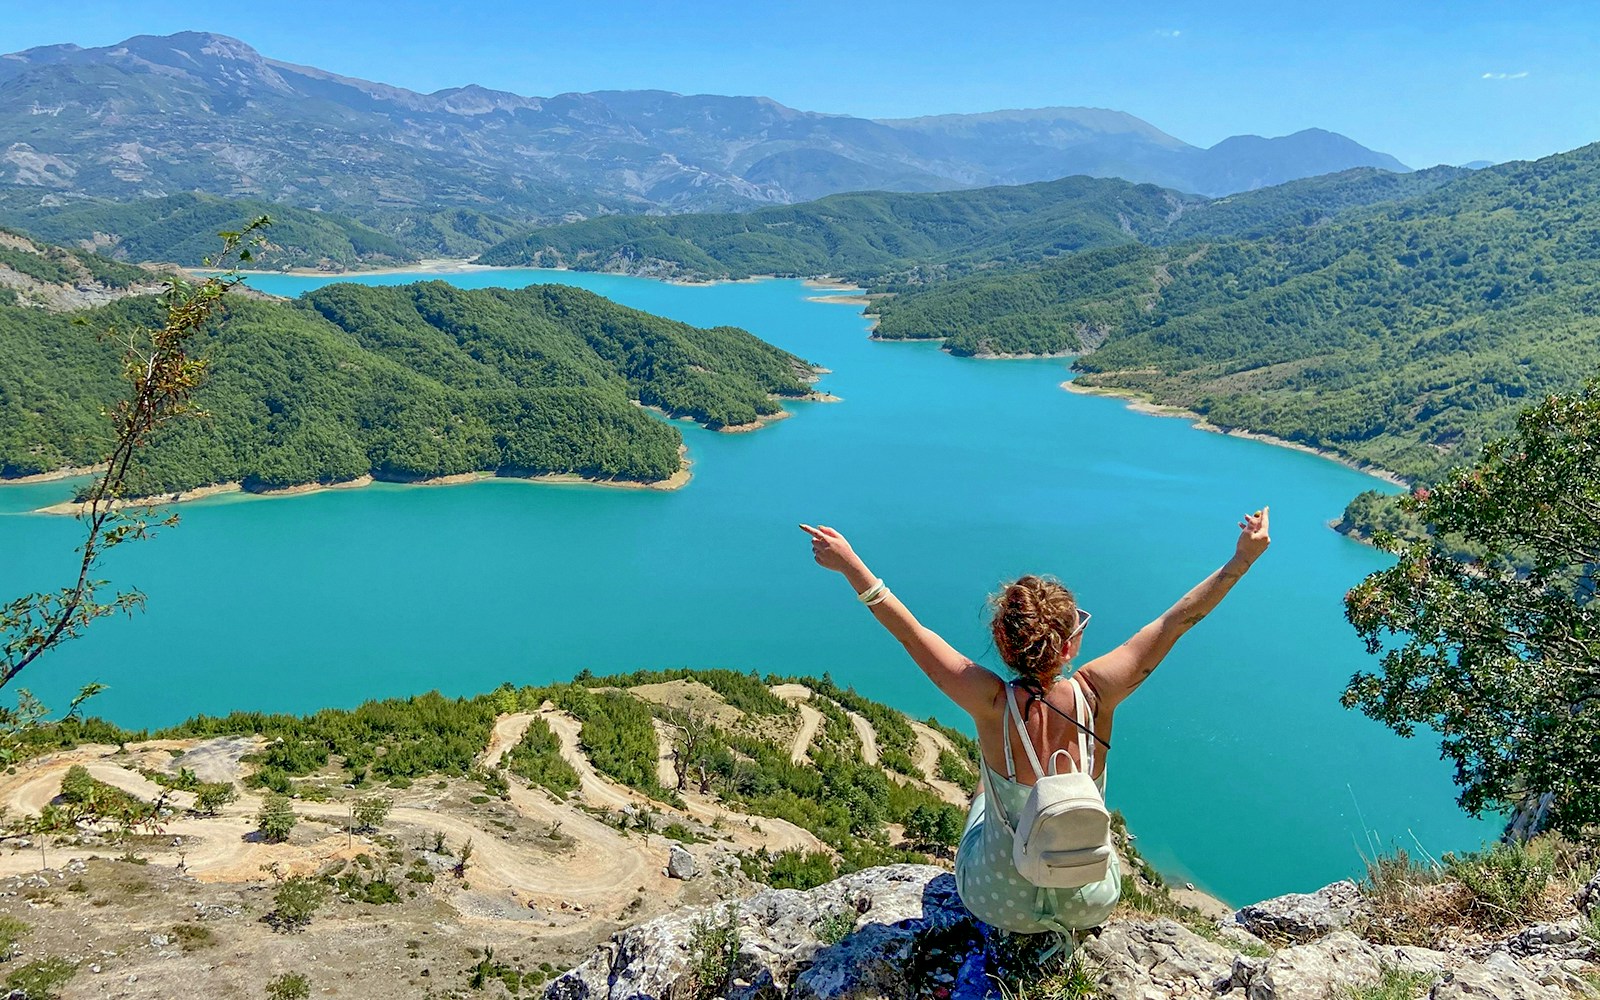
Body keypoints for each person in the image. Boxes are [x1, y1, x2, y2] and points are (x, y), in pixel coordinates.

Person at [799, 508, 1271, 937]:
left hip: (998, 904)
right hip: (1089, 900)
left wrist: (850, 565)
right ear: (1069, 645)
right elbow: (1177, 621)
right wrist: (1242, 559)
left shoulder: (990, 703)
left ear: (1003, 644)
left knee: (984, 795)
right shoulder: (1097, 694)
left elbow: (911, 632)